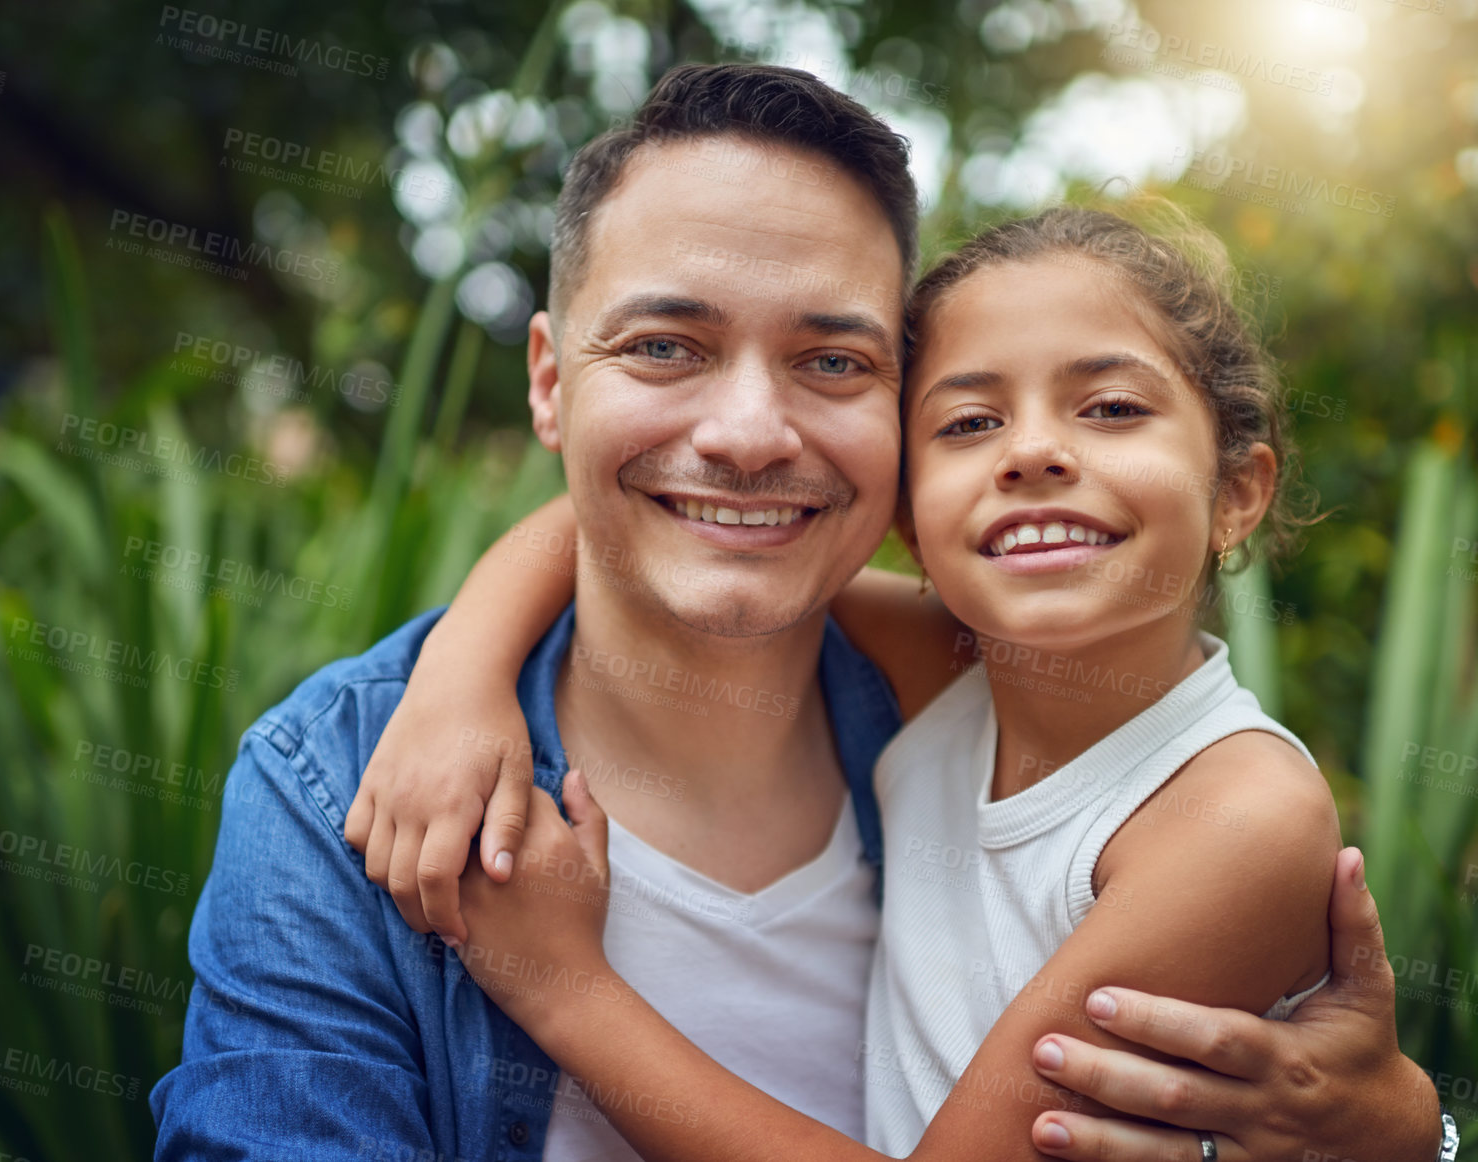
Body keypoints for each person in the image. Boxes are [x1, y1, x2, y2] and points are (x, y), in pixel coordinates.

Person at [152, 63, 1443, 1162]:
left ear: (877, 449)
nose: (750, 435)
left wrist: (1418, 1134)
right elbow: (618, 518)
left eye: (832, 362)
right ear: (551, 382)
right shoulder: (346, 794)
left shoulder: (963, 684)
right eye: (665, 346)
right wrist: (456, 676)